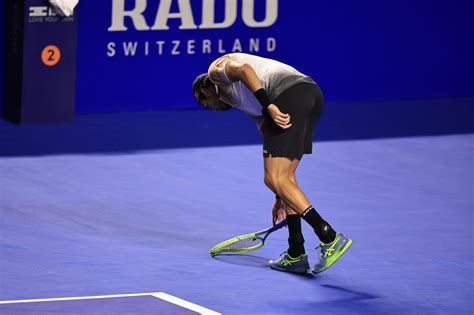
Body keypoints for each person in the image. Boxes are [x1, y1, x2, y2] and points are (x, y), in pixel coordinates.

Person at [192, 53, 352, 274]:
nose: (212, 108)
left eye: (205, 103)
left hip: (287, 95)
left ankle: (328, 236)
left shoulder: (215, 73)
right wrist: (280, 195)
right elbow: (269, 134)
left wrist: (269, 105)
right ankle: (296, 252)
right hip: (311, 95)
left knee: (273, 178)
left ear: (206, 91)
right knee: (284, 179)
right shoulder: (242, 101)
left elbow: (245, 69)